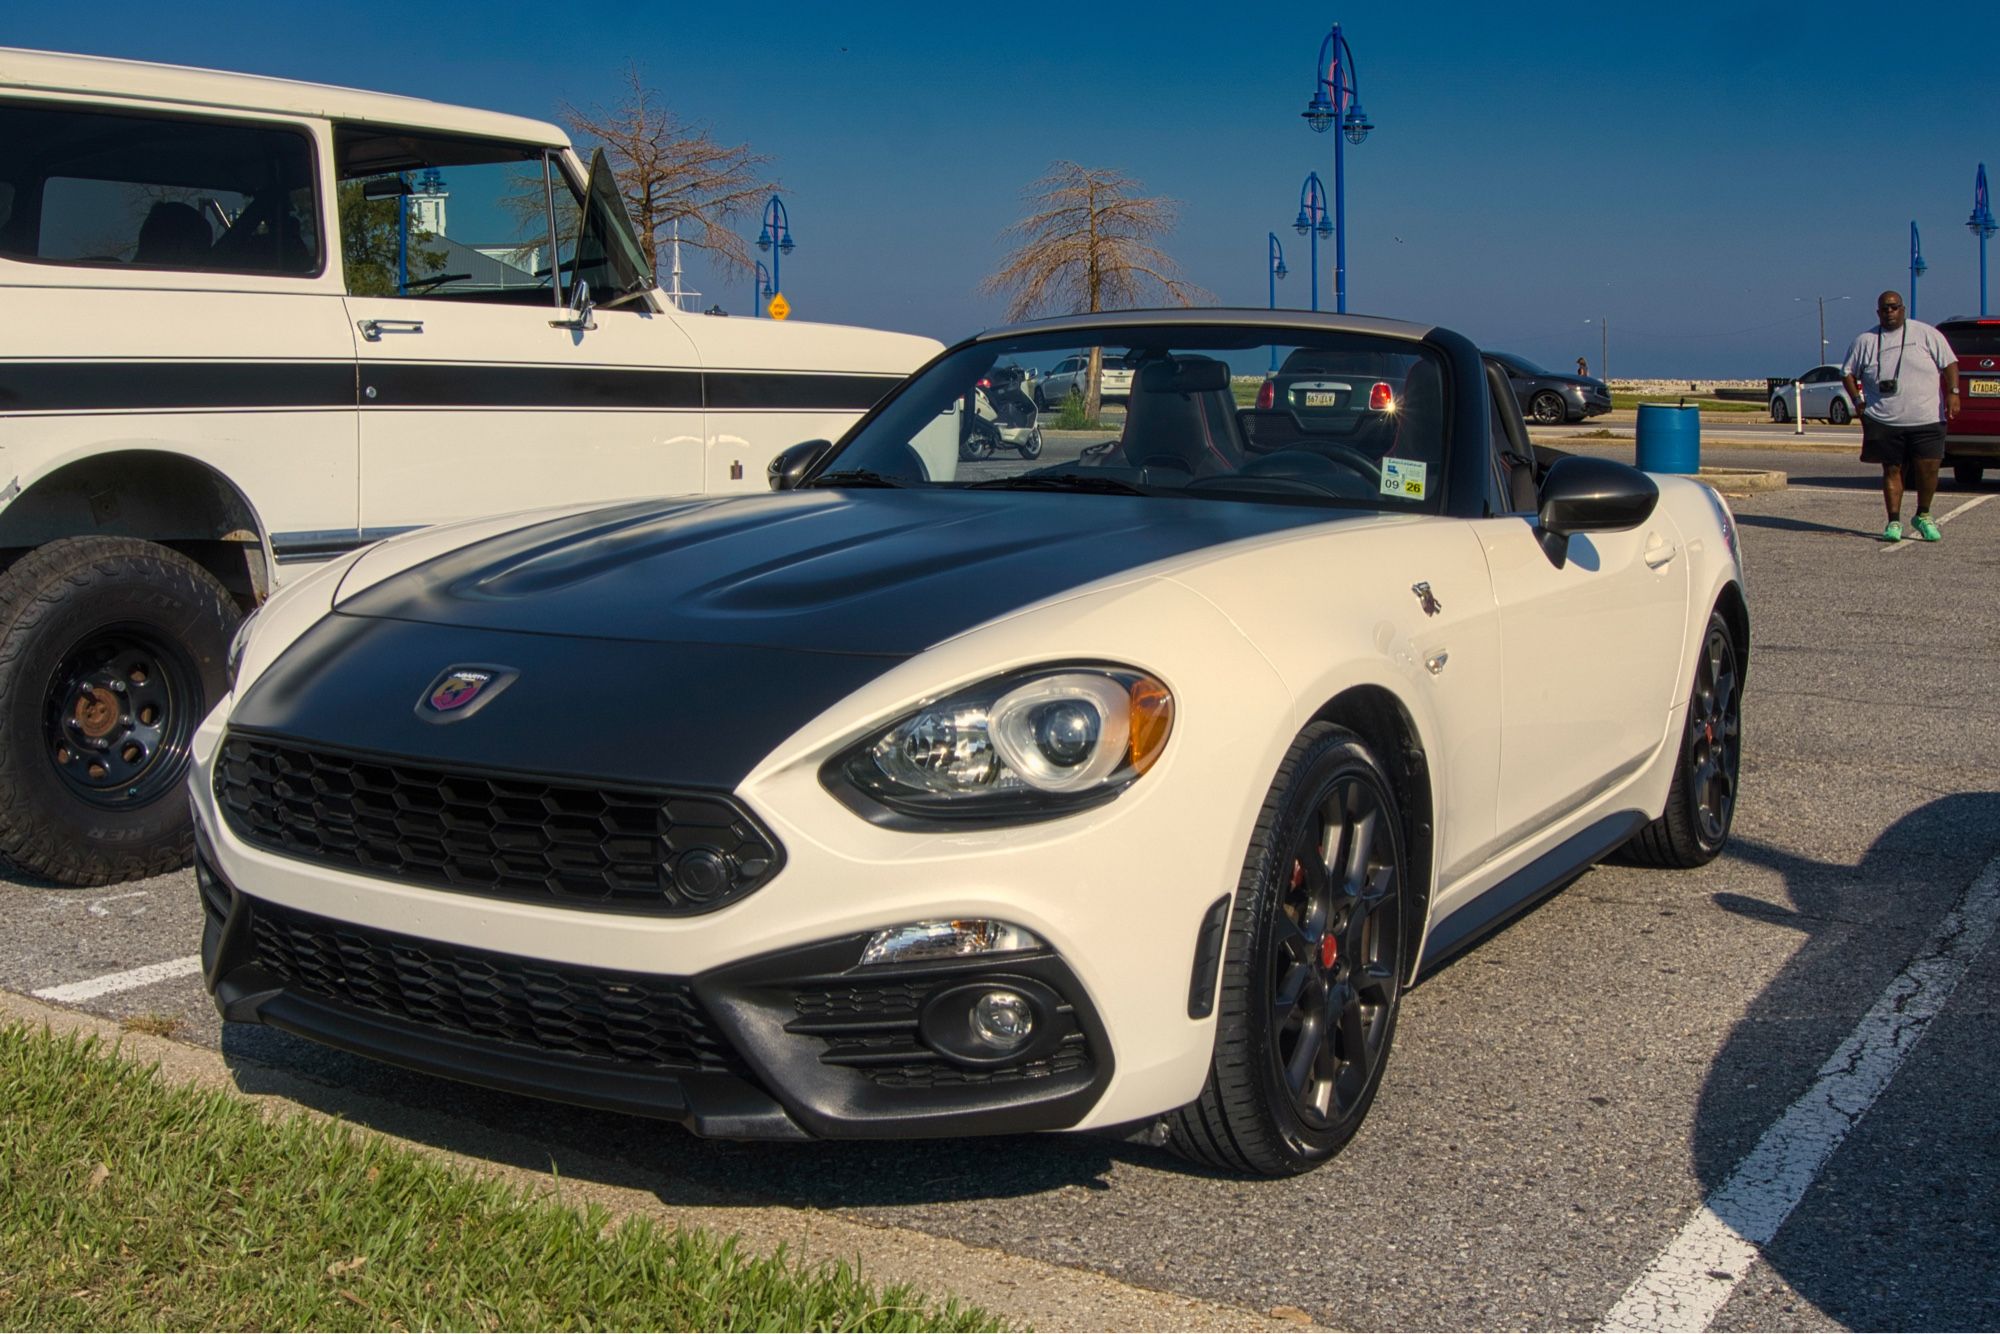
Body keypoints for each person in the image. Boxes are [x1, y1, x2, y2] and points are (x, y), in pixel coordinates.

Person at [1841, 291, 1959, 542]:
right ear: (1878, 312)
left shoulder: (1926, 334)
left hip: (1926, 417)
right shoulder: (1866, 340)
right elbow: (1848, 373)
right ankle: (1893, 521)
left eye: (1894, 307)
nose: (1890, 312)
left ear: (1903, 309)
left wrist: (1954, 392)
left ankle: (1923, 515)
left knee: (1928, 469)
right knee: (1892, 470)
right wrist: (1858, 401)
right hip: (1885, 419)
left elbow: (1949, 363)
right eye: (1885, 309)